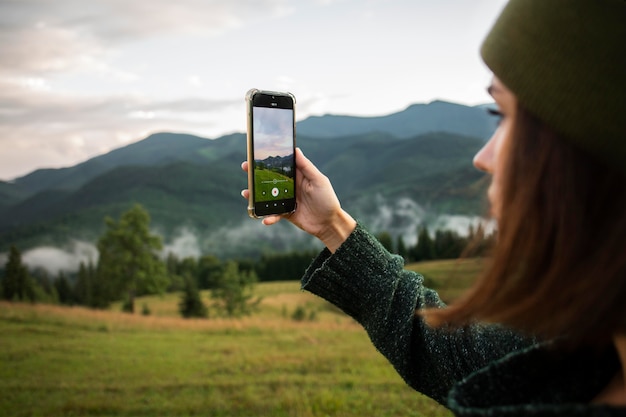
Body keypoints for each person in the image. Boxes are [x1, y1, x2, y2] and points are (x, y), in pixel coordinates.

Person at [241, 0, 626, 414]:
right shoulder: (588, 355)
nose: (483, 156)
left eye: (506, 116)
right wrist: (333, 225)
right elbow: (456, 358)